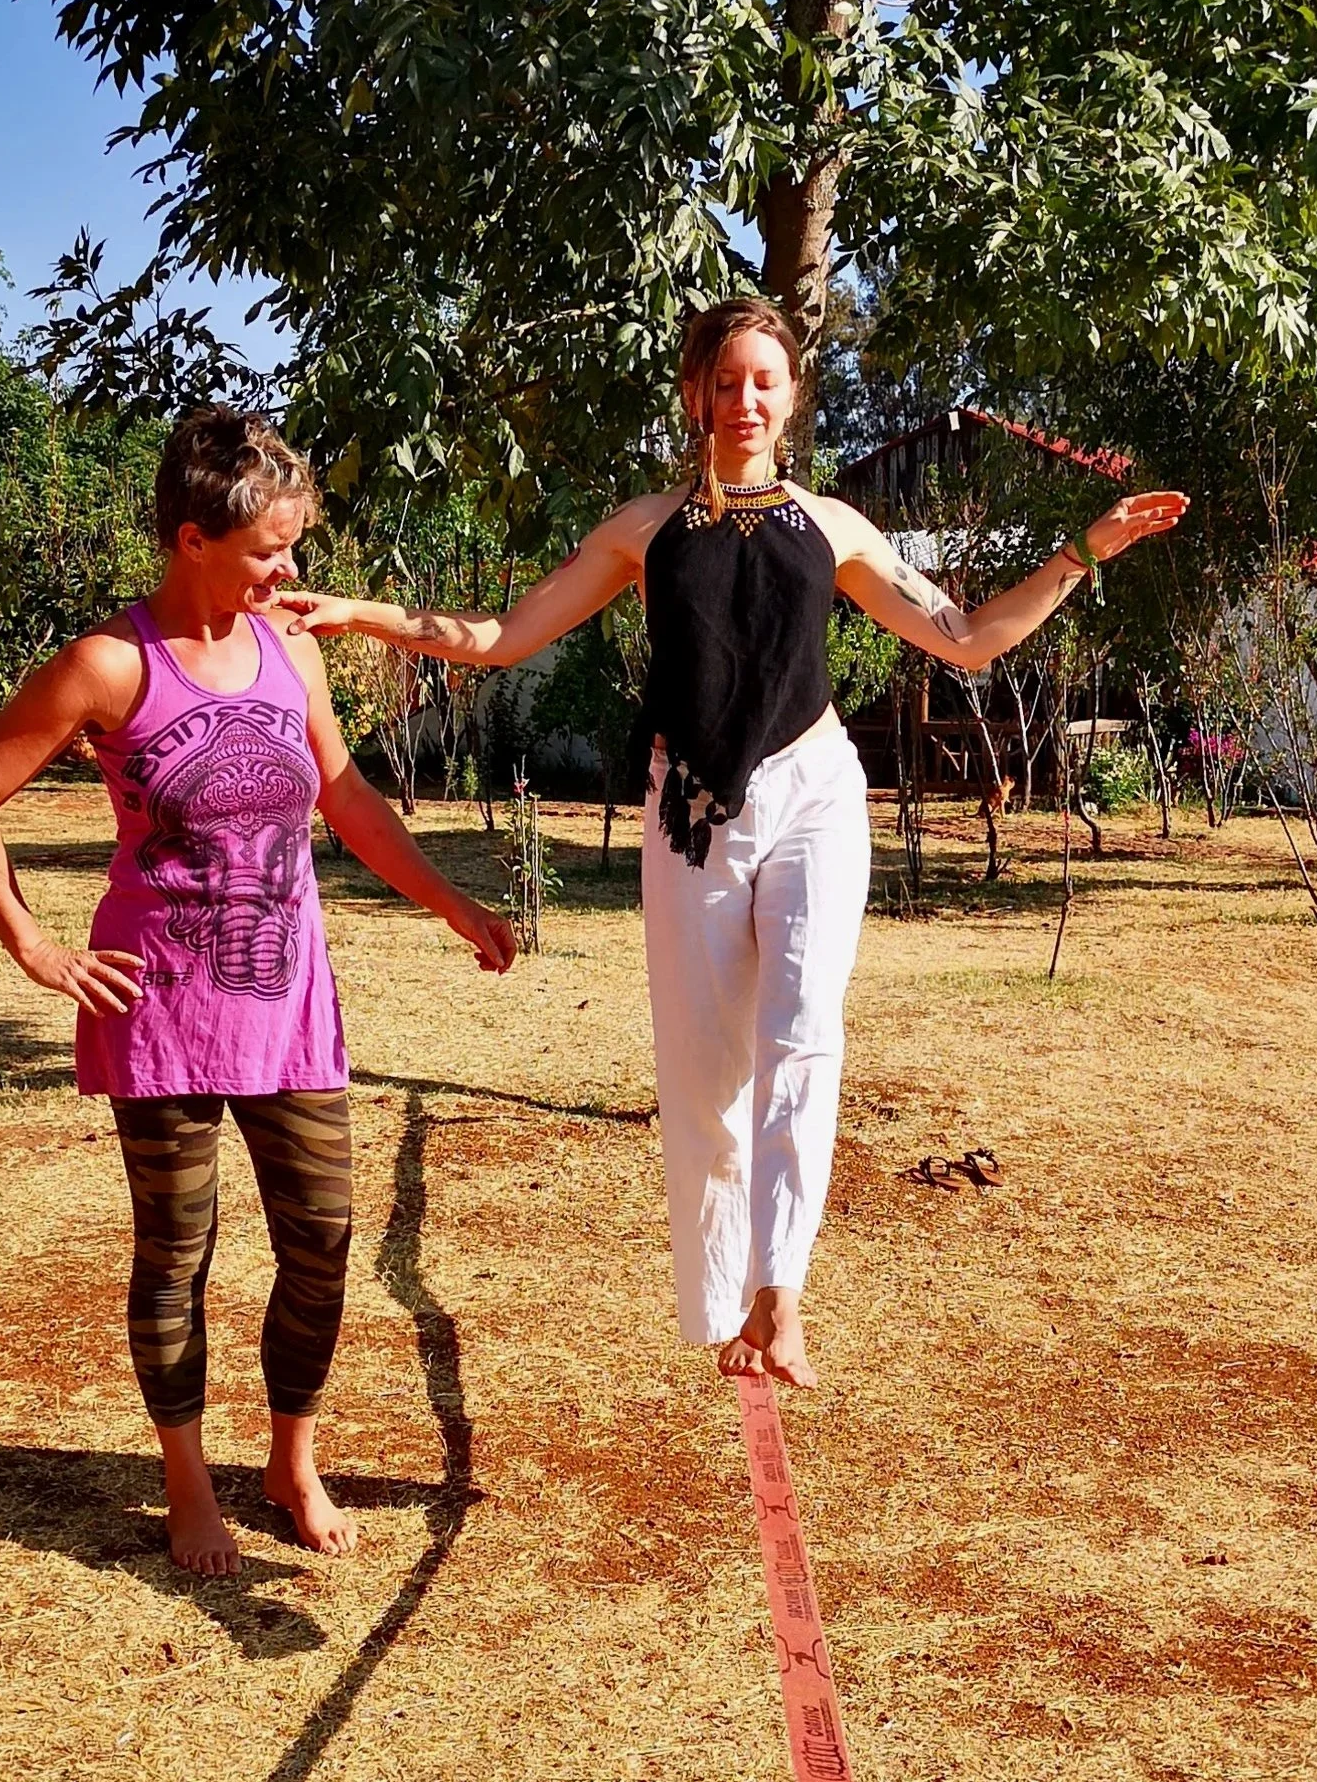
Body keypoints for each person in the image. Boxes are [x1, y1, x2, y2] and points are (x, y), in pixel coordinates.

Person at [279, 297, 1188, 1390]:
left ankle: (782, 1296)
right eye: (723, 380)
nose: (743, 398)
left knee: (802, 1038)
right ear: (694, 395)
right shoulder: (642, 529)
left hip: (811, 792)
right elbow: (499, 637)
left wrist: (1083, 549)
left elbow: (965, 637)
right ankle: (720, 1303)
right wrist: (364, 612)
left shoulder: (835, 527)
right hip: (694, 808)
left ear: (791, 394)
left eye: (763, 378)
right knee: (703, 1068)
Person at [0, 409, 514, 1576]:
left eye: (292, 546)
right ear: (193, 538)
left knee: (323, 1239)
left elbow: (345, 800)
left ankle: (290, 1457)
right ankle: (187, 1482)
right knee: (174, 1252)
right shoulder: (110, 663)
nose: (288, 571)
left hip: (288, 1000)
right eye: (266, 550)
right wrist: (39, 954)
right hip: (158, 1009)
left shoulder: (290, 650)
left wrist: (447, 901)